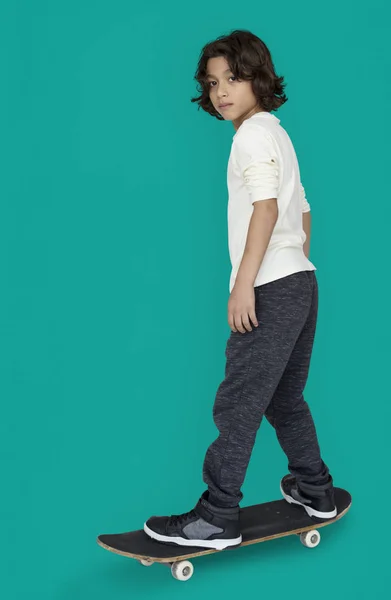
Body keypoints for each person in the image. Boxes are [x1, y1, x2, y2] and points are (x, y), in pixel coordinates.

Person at [143, 29, 337, 551]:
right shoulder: (276, 131)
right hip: (301, 280)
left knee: (239, 403)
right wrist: (293, 262)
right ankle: (315, 488)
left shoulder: (251, 135)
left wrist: (245, 284)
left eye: (233, 77)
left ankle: (216, 516)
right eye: (212, 82)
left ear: (258, 77)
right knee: (284, 398)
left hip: (272, 285)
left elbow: (268, 209)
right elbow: (303, 211)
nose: (221, 91)